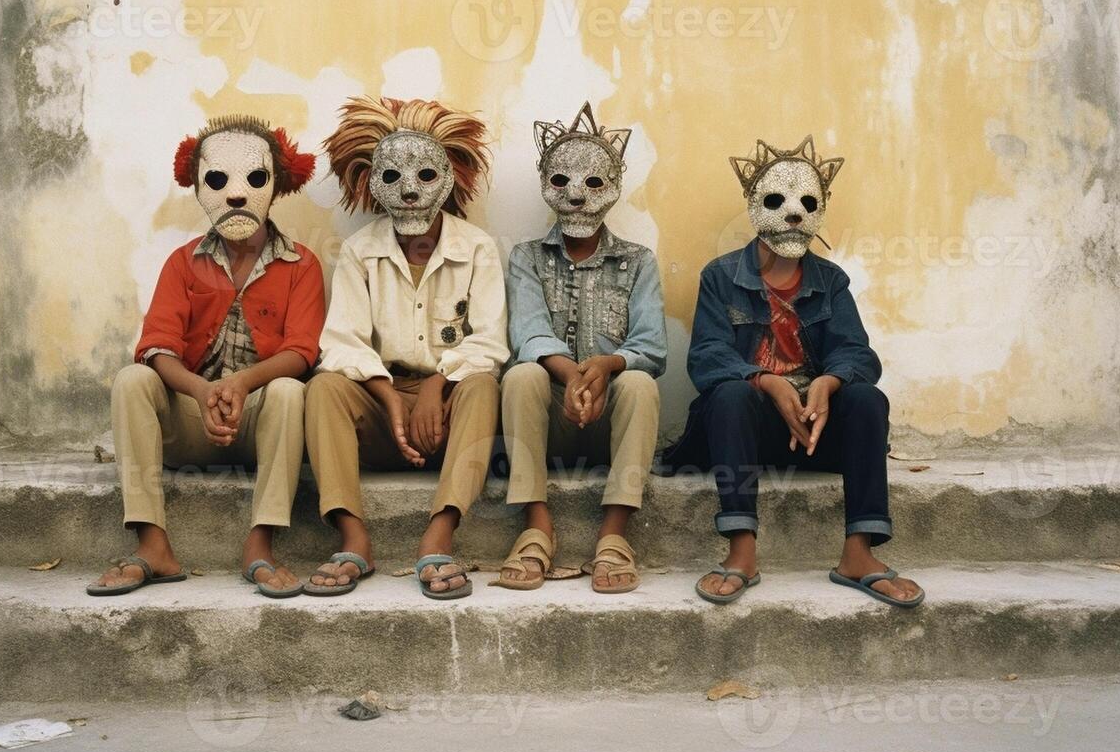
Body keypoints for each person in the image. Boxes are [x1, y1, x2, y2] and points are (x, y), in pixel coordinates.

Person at [659, 137, 923, 608]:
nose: (794, 215)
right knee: (731, 395)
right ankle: (741, 552)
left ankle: (858, 554)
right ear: (754, 205)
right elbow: (706, 358)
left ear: (821, 208)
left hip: (811, 435)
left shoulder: (831, 281)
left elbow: (858, 354)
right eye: (778, 201)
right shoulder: (721, 277)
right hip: (740, 434)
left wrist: (829, 381)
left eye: (807, 202)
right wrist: (766, 381)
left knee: (867, 398)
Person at [88, 115, 322, 598]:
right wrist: (203, 389)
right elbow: (154, 347)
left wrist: (241, 384)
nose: (236, 194)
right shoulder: (182, 262)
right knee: (132, 378)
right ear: (197, 186)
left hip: (261, 426)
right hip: (192, 423)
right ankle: (153, 545)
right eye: (218, 180)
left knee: (287, 389)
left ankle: (260, 543)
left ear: (276, 185)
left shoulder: (303, 264)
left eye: (254, 179)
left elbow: (303, 351)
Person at [305, 96, 507, 599]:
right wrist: (391, 398)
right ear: (371, 183)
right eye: (393, 177)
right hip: (381, 408)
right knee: (324, 387)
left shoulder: (477, 247)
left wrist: (439, 383)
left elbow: (490, 342)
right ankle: (354, 537)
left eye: (425, 175)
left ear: (449, 177)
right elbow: (341, 343)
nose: (411, 192)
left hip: (450, 411)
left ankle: (439, 534)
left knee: (482, 385)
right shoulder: (358, 250)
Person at [498, 103, 665, 594]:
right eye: (562, 181)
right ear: (545, 182)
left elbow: (652, 346)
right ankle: (536, 525)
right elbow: (526, 333)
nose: (575, 195)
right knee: (522, 373)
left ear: (614, 187)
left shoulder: (639, 262)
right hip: (549, 415)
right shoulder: (525, 256)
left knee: (638, 381)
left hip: (610, 418)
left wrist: (610, 365)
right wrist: (570, 376)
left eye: (593, 183)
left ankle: (614, 535)